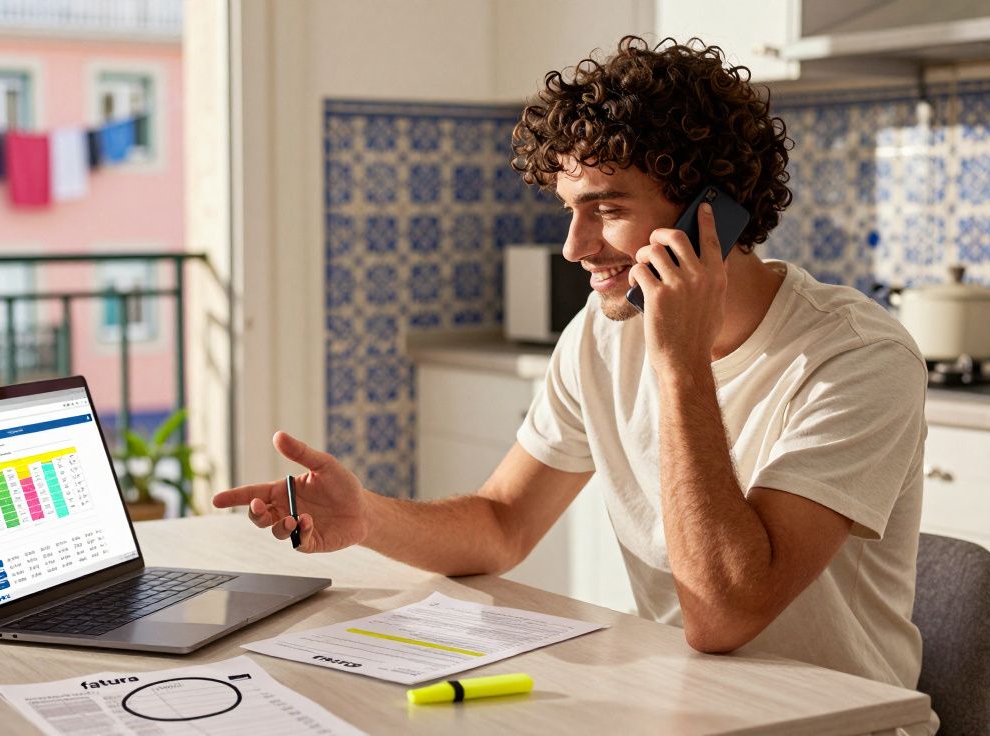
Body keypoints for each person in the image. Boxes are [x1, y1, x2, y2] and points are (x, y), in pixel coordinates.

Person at [214, 36, 932, 731]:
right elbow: (502, 524)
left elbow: (726, 614)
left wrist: (678, 364)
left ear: (711, 213)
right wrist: (366, 518)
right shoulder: (602, 329)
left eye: (608, 209)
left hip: (839, 722)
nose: (574, 247)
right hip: (691, 705)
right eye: (570, 209)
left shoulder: (856, 356)